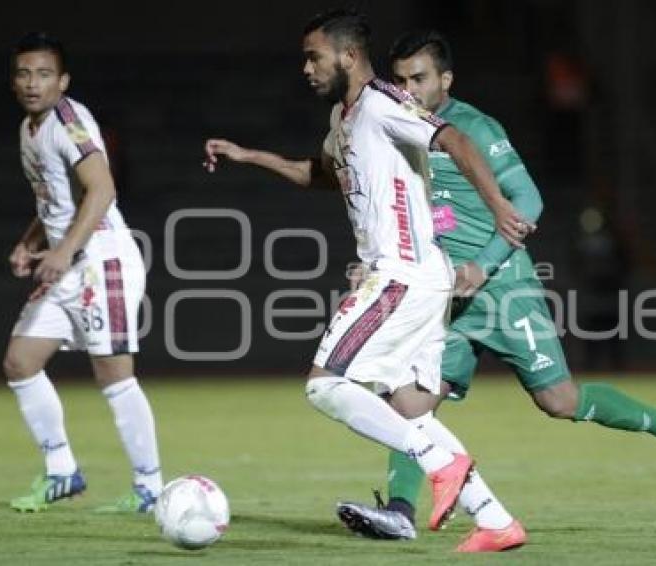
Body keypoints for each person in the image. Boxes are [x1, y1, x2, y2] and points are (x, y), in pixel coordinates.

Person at [334, 30, 656, 542]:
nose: (408, 89)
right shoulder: (398, 130)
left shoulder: (473, 128)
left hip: (502, 291)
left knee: (559, 401)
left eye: (419, 78)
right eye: (399, 80)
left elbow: (528, 201)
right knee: (407, 405)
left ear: (445, 80)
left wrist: (483, 266)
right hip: (443, 300)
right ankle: (400, 511)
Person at [203, 10, 531, 553]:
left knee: (325, 385)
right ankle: (496, 521)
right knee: (408, 408)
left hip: (401, 275)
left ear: (348, 55)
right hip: (420, 277)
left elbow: (455, 140)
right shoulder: (347, 117)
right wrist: (249, 155)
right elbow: (322, 173)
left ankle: (440, 464)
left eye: (314, 56)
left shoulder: (383, 102)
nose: (306, 67)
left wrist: (498, 208)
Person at [5, 32, 162, 513]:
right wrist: (30, 243)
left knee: (114, 374)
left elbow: (102, 189)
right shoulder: (29, 129)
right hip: (67, 261)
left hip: (101, 260)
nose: (34, 83)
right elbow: (56, 200)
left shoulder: (68, 121)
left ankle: (150, 486)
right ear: (14, 81)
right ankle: (62, 472)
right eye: (25, 74)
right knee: (20, 362)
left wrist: (63, 251)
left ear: (63, 80)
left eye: (45, 74)